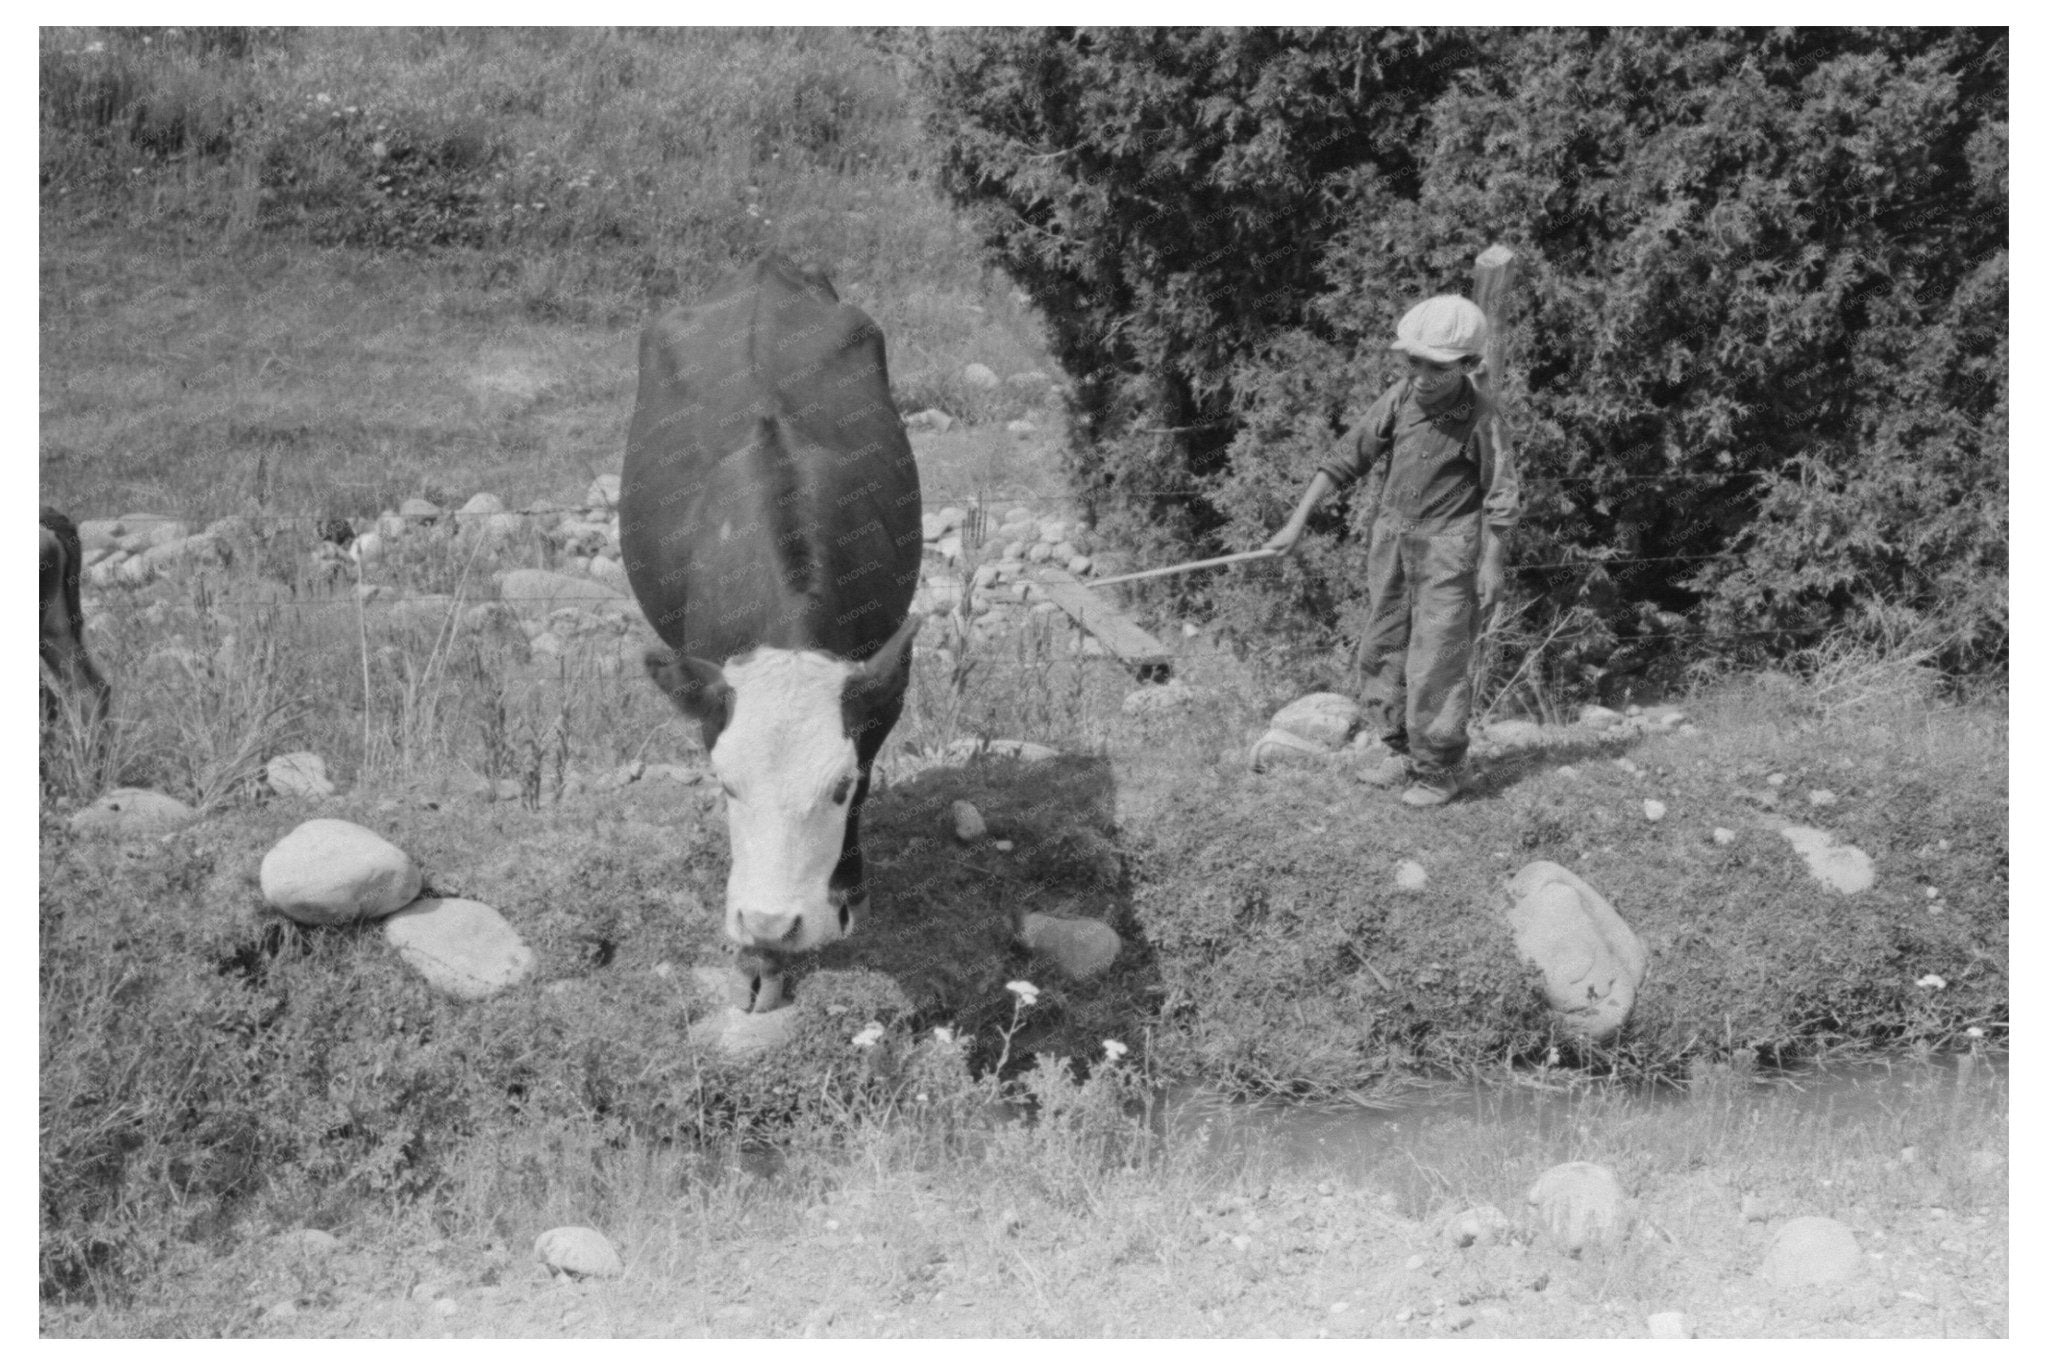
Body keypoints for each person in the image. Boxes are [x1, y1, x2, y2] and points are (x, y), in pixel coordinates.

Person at [1263, 294, 1520, 807]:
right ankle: (1401, 750)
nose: (1421, 374)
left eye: (1436, 366)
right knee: (1382, 650)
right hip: (1392, 544)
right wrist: (1296, 523)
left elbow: (1501, 496)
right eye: (1413, 361)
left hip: (1450, 551)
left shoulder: (1481, 418)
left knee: (1436, 662)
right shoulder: (1400, 399)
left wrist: (1492, 562)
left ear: (1468, 364)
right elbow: (1345, 457)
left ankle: (1440, 771)